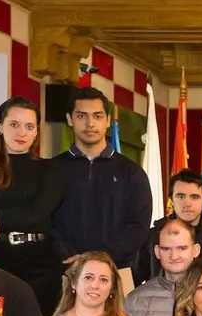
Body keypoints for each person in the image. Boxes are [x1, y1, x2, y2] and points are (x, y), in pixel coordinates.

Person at [0, 96, 64, 316]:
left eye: (29, 126)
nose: (22, 133)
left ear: (37, 131)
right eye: (14, 125)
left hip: (40, 267)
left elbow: (36, 215)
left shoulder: (51, 171)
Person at [50, 87, 152, 272]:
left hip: (117, 270)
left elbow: (138, 227)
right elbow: (44, 222)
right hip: (64, 270)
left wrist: (99, 259)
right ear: (69, 119)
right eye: (81, 116)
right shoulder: (51, 169)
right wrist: (66, 256)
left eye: (97, 116)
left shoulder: (132, 172)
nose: (90, 123)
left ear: (107, 120)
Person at [134, 170, 202, 285]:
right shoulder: (152, 237)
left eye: (194, 197)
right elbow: (133, 279)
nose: (187, 203)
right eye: (181, 196)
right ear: (172, 201)